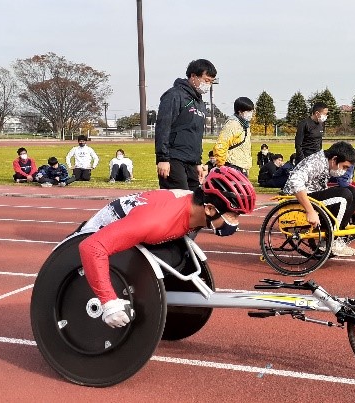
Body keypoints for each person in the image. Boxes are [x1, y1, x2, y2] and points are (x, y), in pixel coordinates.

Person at [78, 167, 255, 328]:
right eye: (233, 216)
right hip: (92, 245)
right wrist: (109, 302)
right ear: (209, 209)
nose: (235, 223)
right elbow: (91, 247)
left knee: (177, 255)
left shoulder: (195, 209)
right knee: (169, 256)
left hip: (134, 235)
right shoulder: (156, 222)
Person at [282, 142, 355, 257]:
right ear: (334, 159)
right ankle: (332, 240)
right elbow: (294, 182)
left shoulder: (326, 162)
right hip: (299, 197)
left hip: (312, 194)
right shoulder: (316, 162)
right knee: (344, 195)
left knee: (354, 193)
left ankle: (337, 237)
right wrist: (310, 211)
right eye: (344, 167)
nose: (344, 171)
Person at [156, 59, 217, 191]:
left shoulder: (199, 102)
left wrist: (198, 162)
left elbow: (196, 135)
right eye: (206, 80)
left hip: (191, 162)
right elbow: (163, 127)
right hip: (174, 159)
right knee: (178, 199)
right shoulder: (174, 95)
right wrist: (163, 159)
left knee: (195, 200)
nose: (208, 85)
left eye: (211, 82)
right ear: (193, 76)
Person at [213, 97, 254, 177]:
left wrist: (246, 167)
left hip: (241, 167)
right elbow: (221, 145)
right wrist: (221, 165)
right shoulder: (233, 124)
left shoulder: (245, 125)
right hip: (232, 166)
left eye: (252, 111)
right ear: (240, 111)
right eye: (248, 111)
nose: (251, 113)